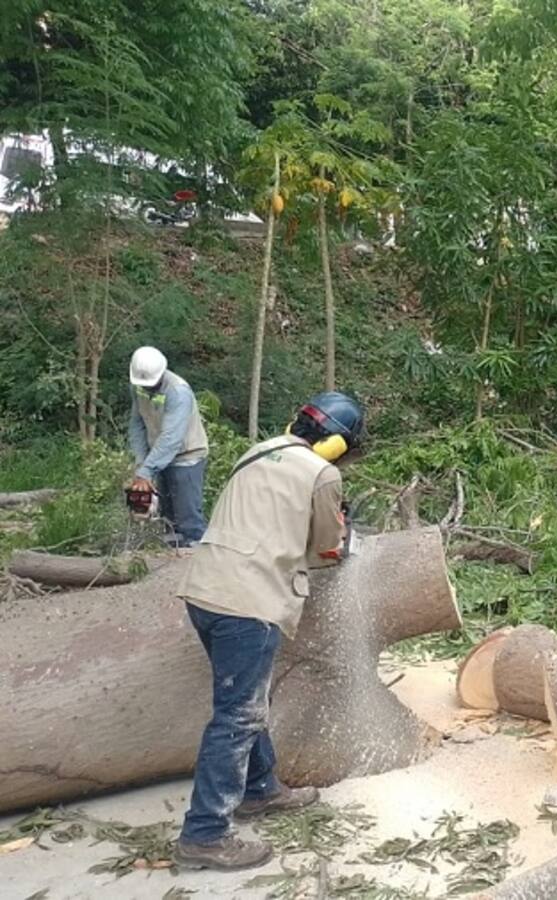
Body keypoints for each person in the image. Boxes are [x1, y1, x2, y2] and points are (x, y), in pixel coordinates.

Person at [172, 391, 365, 871]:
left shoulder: (256, 450)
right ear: (338, 444)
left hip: (204, 592)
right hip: (248, 603)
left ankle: (259, 788)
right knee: (236, 717)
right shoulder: (323, 473)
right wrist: (342, 534)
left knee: (248, 703)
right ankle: (204, 834)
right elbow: (325, 549)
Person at [127, 346, 209, 546]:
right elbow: (137, 425)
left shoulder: (178, 392)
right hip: (158, 457)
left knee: (188, 521)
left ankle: (196, 561)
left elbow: (171, 438)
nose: (147, 388)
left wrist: (146, 471)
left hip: (186, 457)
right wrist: (141, 464)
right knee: (167, 518)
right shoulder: (137, 386)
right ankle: (172, 559)